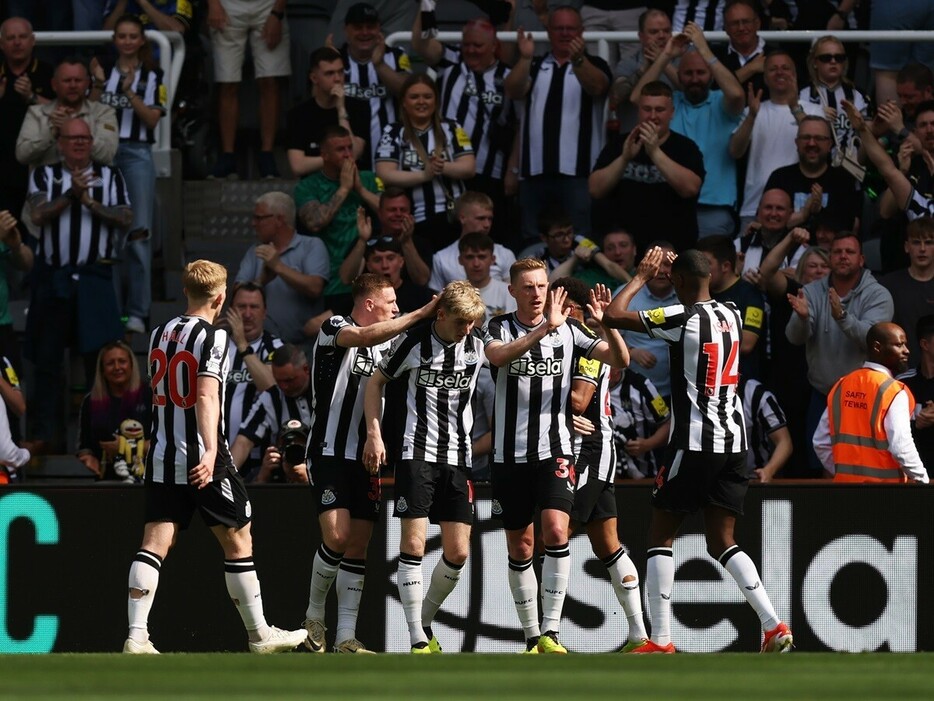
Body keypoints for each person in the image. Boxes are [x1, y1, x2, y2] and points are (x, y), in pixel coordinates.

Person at [603, 246, 794, 654]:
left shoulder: (682, 317)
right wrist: (682, 272)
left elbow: (612, 315)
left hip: (694, 442)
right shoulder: (730, 313)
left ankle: (662, 640)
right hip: (734, 443)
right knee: (722, 540)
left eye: (673, 280)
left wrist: (640, 276)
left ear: (681, 283)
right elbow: (694, 282)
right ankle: (773, 624)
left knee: (660, 535)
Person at [124, 259, 306, 655]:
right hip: (202, 455)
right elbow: (206, 394)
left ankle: (136, 635)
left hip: (162, 455)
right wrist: (209, 450)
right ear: (222, 298)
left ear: (186, 291)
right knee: (239, 538)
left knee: (155, 540)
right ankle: (260, 635)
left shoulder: (158, 332)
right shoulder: (215, 337)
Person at [483, 257, 628, 654]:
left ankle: (551, 631)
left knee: (557, 531)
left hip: (555, 450)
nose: (536, 294)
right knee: (522, 547)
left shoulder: (573, 332)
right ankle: (531, 636)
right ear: (512, 291)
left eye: (542, 286)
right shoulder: (498, 326)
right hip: (508, 457)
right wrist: (548, 325)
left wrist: (607, 326)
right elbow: (497, 358)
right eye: (527, 287)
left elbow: (619, 360)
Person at [302, 273, 438, 654]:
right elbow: (365, 338)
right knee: (338, 537)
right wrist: (420, 313)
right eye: (390, 301)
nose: (396, 307)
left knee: (358, 545)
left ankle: (346, 636)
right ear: (368, 304)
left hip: (366, 457)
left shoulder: (390, 343)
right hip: (328, 451)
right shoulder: (335, 326)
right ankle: (314, 615)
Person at [363, 281, 486, 653]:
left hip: (459, 460)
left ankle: (424, 622)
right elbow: (375, 383)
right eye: (462, 321)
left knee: (459, 552)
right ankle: (417, 638)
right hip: (417, 455)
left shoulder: (479, 346)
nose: (468, 329)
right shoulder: (415, 343)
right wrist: (375, 434)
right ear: (443, 313)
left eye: (473, 322)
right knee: (413, 544)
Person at [552, 277, 650, 653]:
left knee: (553, 537)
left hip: (587, 450)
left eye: (557, 303)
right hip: (589, 448)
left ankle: (547, 633)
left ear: (571, 308)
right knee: (608, 545)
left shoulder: (584, 346)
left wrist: (549, 413)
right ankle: (640, 634)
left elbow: (578, 401)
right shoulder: (576, 342)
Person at [24, 117, 130, 454]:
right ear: (61, 142)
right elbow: (38, 215)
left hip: (94, 279)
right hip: (54, 278)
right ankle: (46, 438)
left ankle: (103, 440)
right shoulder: (45, 175)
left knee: (100, 363)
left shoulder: (108, 175)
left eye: (85, 138)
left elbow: (126, 216)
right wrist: (72, 194)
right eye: (74, 138)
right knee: (47, 361)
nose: (80, 143)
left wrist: (90, 204)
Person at [786, 232, 894, 473]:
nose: (843, 256)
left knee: (860, 466)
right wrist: (802, 318)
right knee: (821, 465)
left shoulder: (878, 295)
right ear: (831, 257)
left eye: (850, 252)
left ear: (862, 259)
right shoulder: (812, 291)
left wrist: (843, 317)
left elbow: (873, 340)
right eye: (837, 252)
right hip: (822, 393)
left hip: (862, 398)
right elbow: (794, 337)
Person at [505, 5, 611, 243]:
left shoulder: (595, 64)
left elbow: (597, 87)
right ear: (549, 31)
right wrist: (524, 58)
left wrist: (578, 60)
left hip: (579, 173)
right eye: (559, 28)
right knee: (533, 239)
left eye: (571, 28)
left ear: (581, 32)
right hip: (534, 173)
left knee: (580, 238)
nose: (565, 33)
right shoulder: (534, 64)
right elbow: (512, 90)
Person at [411, 8, 517, 241]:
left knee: (488, 237)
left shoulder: (507, 76)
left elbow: (519, 126)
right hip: (449, 169)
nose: (470, 50)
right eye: (467, 44)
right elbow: (420, 44)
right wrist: (426, 6)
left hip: (491, 171)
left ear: (493, 46)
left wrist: (512, 169)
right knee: (450, 233)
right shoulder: (451, 62)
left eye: (477, 46)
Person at [89, 14, 165, 334]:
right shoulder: (101, 69)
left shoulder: (153, 74)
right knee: (107, 235)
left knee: (138, 235)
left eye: (134, 35)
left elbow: (152, 120)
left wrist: (130, 92)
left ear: (142, 40)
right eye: (122, 35)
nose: (128, 41)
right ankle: (113, 312)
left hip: (136, 155)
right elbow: (89, 109)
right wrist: (96, 83)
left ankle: (137, 313)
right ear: (115, 39)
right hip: (104, 153)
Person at [630, 24, 744, 238]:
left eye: (701, 73)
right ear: (678, 76)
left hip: (713, 209)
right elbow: (638, 98)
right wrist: (666, 56)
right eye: (688, 73)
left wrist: (704, 49)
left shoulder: (722, 103)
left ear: (711, 75)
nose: (694, 79)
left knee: (706, 271)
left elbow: (737, 94)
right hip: (670, 204)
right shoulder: (672, 104)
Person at [589, 81, 704, 253]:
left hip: (671, 251)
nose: (652, 116)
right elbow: (595, 189)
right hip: (626, 252)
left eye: (659, 110)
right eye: (647, 109)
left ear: (671, 113)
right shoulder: (619, 145)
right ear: (638, 111)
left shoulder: (686, 148)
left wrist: (654, 151)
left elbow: (690, 188)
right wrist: (624, 158)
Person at [814, 322, 929, 484]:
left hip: (845, 490)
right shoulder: (894, 391)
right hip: (885, 495)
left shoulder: (840, 386)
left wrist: (844, 473)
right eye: (899, 344)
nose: (906, 350)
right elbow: (901, 447)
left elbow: (820, 442)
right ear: (877, 347)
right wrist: (922, 479)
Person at [375, 73, 476, 251]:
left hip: (453, 217)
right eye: (414, 97)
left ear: (436, 101)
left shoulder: (452, 128)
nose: (421, 101)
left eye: (427, 96)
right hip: (411, 220)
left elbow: (469, 168)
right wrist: (424, 175)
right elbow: (385, 173)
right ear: (404, 102)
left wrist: (442, 167)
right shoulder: (393, 131)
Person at [730, 51, 823, 234]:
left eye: (785, 68)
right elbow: (735, 151)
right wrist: (751, 117)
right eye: (773, 69)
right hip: (755, 207)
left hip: (800, 207)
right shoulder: (752, 110)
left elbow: (819, 144)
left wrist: (795, 108)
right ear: (765, 78)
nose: (780, 72)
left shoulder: (814, 110)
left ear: (795, 75)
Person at [294, 124, 383, 309]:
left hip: (368, 277)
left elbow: (390, 213)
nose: (348, 154)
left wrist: (360, 190)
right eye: (340, 149)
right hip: (330, 281)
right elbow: (314, 223)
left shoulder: (369, 178)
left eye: (350, 148)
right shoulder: (307, 186)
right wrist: (343, 189)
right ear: (324, 154)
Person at [207, 0, 290, 179]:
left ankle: (267, 154)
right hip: (228, 5)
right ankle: (227, 156)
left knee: (269, 79)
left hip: (268, 5)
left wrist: (277, 14)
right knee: (227, 81)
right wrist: (213, 4)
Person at [234, 192, 330, 345]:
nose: (253, 223)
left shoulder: (311, 246)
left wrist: (278, 267)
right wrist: (261, 281)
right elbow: (236, 295)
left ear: (279, 219)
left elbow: (315, 287)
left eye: (259, 218)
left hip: (303, 346)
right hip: (261, 347)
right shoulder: (255, 252)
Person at [221, 282, 282, 478]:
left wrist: (241, 343)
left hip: (259, 463)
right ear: (230, 310)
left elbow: (271, 386)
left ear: (264, 312)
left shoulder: (275, 347)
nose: (247, 314)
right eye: (241, 307)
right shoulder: (216, 346)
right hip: (213, 457)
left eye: (254, 307)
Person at [339, 3, 411, 166]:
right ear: (346, 30)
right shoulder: (337, 58)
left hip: (391, 155)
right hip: (348, 155)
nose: (365, 32)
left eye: (370, 27)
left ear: (379, 28)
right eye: (358, 27)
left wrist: (379, 65)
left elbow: (407, 91)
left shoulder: (396, 55)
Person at [763, 116, 862, 233]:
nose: (811, 143)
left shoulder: (843, 180)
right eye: (806, 137)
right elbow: (766, 223)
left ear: (830, 144)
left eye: (819, 138)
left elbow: (850, 227)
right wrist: (804, 214)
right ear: (797, 143)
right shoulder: (779, 178)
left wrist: (820, 210)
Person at [16, 57, 118, 167]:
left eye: (78, 80)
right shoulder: (36, 113)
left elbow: (107, 155)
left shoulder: (104, 112)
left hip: (91, 182)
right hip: (47, 182)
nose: (73, 86)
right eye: (67, 81)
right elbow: (22, 156)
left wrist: (72, 126)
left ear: (87, 83)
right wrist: (51, 133)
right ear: (54, 84)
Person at [229, 344, 312, 481]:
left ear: (306, 369)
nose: (284, 386)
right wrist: (226, 478)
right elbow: (243, 442)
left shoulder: (325, 392)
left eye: (289, 380)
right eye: (278, 381)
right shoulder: (271, 397)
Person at [286, 46, 369, 177]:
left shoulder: (359, 107)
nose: (337, 79)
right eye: (329, 73)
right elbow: (298, 166)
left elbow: (355, 153)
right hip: (314, 186)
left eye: (341, 72)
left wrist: (341, 109)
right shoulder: (298, 115)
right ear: (314, 78)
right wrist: (336, 157)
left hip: (352, 181)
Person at [0, 17, 52, 218]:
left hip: (39, 165)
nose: (17, 42)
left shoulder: (49, 72)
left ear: (33, 40)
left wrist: (32, 97)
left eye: (22, 37)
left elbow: (66, 112)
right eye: (11, 38)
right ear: (2, 44)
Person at [77, 340, 151, 480]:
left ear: (131, 365)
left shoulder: (150, 395)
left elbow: (163, 443)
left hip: (146, 476)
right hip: (106, 477)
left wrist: (124, 447)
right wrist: (87, 457)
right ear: (102, 370)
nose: (117, 367)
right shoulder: (90, 401)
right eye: (110, 363)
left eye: (122, 361)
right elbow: (84, 445)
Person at [696, 235, 766, 380]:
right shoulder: (700, 294)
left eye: (706, 264)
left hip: (740, 386)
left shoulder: (750, 295)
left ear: (725, 266)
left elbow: (746, 343)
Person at [618, 241, 678, 400]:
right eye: (655, 264)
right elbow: (606, 335)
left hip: (677, 393)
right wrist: (631, 352)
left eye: (667, 264)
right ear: (644, 265)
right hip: (635, 394)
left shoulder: (686, 296)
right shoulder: (626, 294)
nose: (661, 271)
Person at [799, 35, 869, 162]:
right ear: (815, 63)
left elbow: (868, 136)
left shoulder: (857, 95)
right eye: (826, 58)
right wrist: (817, 112)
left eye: (839, 58)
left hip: (848, 167)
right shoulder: (802, 94)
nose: (833, 61)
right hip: (810, 163)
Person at [427, 191, 515, 291]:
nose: (487, 225)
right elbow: (436, 299)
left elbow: (514, 295)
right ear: (462, 218)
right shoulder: (441, 258)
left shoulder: (505, 254)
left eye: (489, 219)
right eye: (480, 218)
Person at [610, 8, 675, 134]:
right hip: (635, 141)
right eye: (654, 32)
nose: (662, 36)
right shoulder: (629, 63)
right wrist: (643, 70)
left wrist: (663, 61)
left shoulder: (682, 59)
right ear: (641, 36)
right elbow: (617, 96)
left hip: (673, 141)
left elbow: (689, 88)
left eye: (666, 31)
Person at [881, 217, 934, 355]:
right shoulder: (888, 284)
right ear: (906, 247)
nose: (922, 249)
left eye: (928, 243)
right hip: (900, 367)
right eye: (916, 243)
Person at [610, 364, 670, 479]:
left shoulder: (642, 385)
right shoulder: (585, 386)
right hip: (599, 474)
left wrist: (648, 444)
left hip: (643, 473)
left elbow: (667, 423)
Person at [736, 188, 804, 275]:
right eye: (768, 207)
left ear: (790, 213)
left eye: (780, 208)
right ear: (758, 211)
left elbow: (796, 279)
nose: (773, 214)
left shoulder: (799, 249)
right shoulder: (740, 245)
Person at [899, 314, 934, 477]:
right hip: (914, 475)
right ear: (925, 344)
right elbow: (891, 432)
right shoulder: (902, 384)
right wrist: (917, 424)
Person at [713, 0, 772, 98]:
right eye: (735, 23)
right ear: (726, 28)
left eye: (746, 22)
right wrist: (751, 68)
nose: (741, 28)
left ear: (757, 23)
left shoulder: (775, 55)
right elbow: (712, 92)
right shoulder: (715, 56)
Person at [738, 375, 792, 483]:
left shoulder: (756, 394)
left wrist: (768, 470)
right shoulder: (697, 394)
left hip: (753, 480)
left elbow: (784, 442)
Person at [458, 232, 516, 324]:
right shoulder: (451, 295)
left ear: (492, 259)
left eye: (482, 257)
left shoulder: (509, 292)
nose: (476, 264)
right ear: (460, 260)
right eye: (470, 257)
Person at [549, 228, 636, 289]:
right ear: (604, 253)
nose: (617, 252)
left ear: (634, 250)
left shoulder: (645, 275)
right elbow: (553, 285)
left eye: (623, 245)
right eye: (610, 248)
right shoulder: (592, 276)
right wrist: (575, 258)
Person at [103, 0, 193, 33]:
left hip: (162, 60)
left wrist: (143, 3)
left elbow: (177, 29)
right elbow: (106, 33)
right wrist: (122, 3)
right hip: (121, 61)